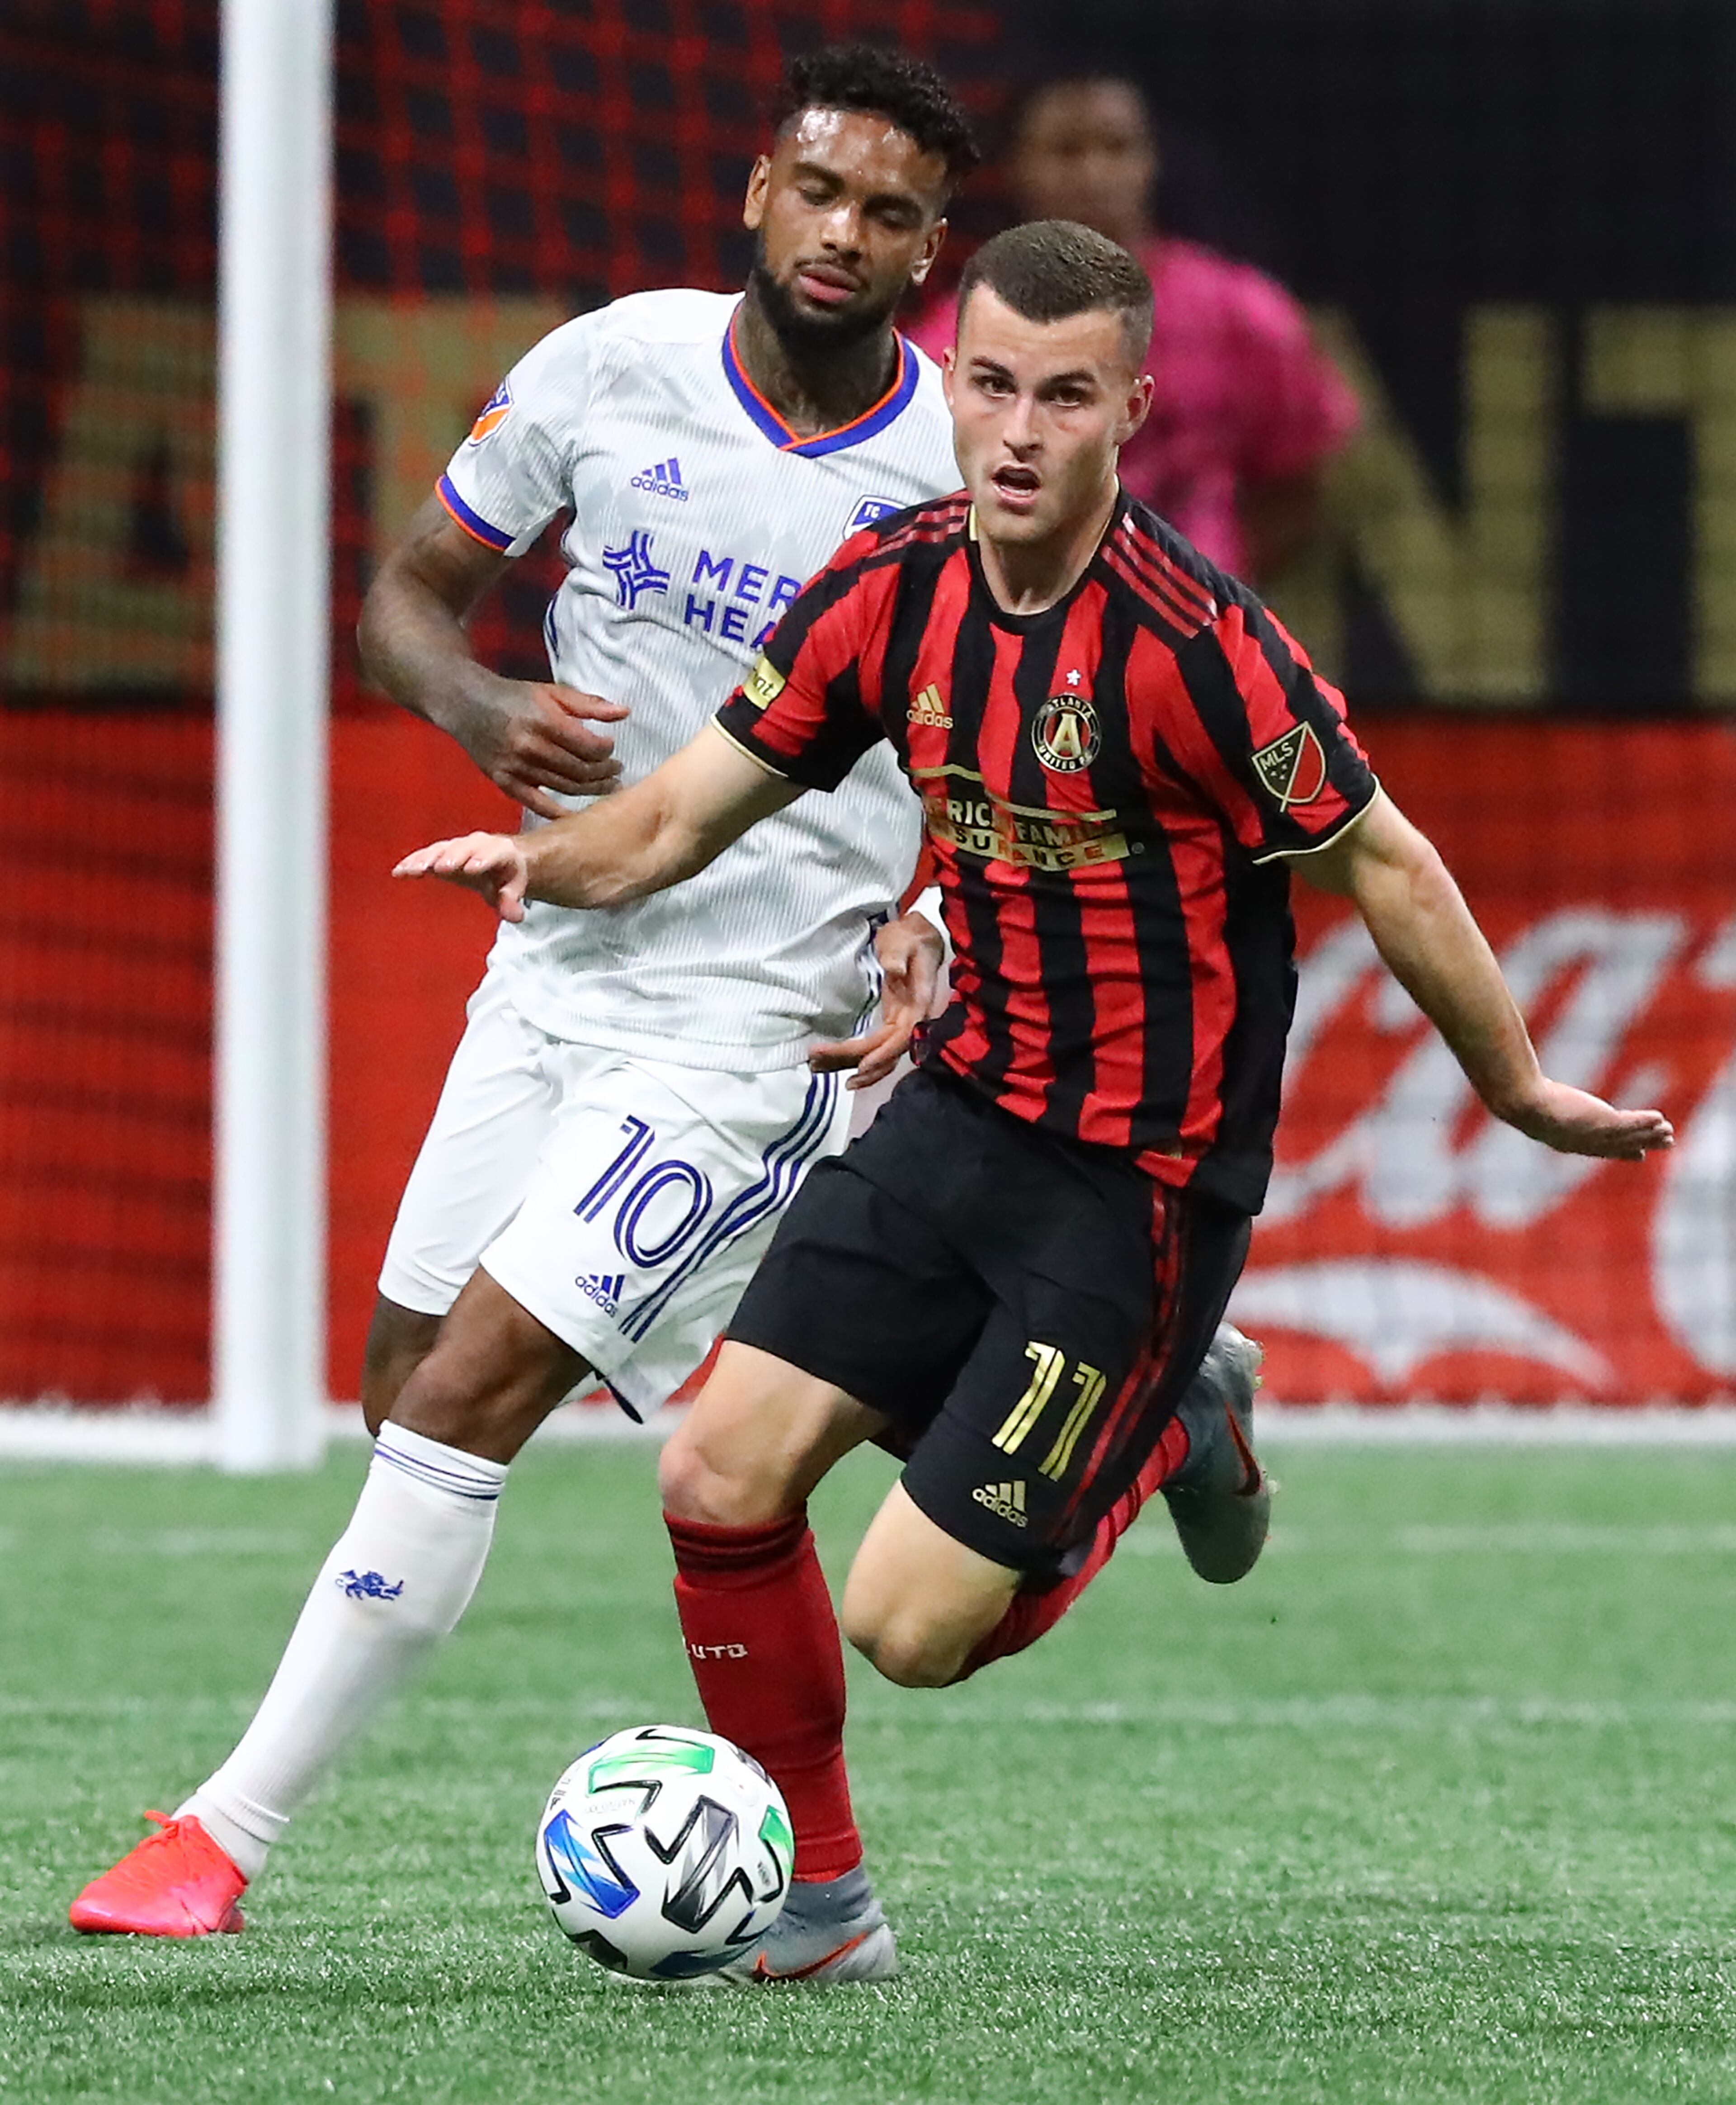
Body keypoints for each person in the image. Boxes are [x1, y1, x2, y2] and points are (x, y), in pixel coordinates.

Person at [389, 220, 1673, 1984]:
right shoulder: (891, 585)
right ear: (952, 384)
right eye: (989, 383)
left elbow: (1382, 855)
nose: (1015, 429)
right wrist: (546, 864)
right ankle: (825, 1908)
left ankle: (1172, 1426)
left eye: (1064, 397)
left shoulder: (1195, 644)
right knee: (714, 1473)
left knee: (909, 1626)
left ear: (1131, 410)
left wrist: (1515, 1085)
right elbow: (683, 808)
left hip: (1138, 1180)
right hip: (960, 1109)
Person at [68, 43, 982, 1943]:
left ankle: (219, 1840)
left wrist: (936, 912)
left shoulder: (953, 472)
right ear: (758, 192)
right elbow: (405, 598)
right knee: (411, 1386)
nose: (842, 232)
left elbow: (1003, 736)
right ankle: (1120, 1386)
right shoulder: (604, 366)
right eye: (818, 191)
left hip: (758, 1028)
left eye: (887, 213)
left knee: (475, 1394)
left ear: (928, 250)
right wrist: (480, 706)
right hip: (551, 977)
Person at [907, 71, 1358, 585]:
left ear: (1151, 160)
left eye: (1117, 148)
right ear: (1018, 168)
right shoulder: (958, 337)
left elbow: (1299, 479)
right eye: (1067, 151)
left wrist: (1203, 583)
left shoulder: (1243, 315)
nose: (1095, 174)